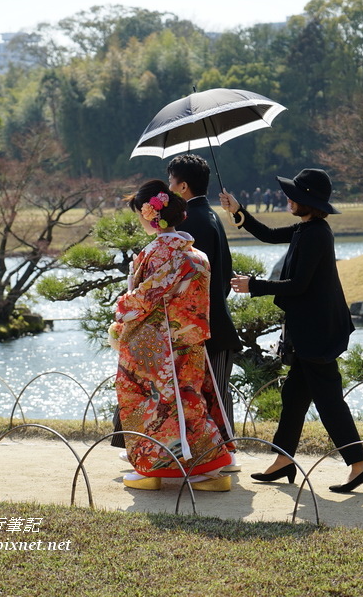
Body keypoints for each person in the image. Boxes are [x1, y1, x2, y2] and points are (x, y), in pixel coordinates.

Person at [219, 168, 363, 493]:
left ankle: (359, 465)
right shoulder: (308, 228)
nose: (289, 199)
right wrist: (238, 211)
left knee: (330, 401)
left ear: (309, 202)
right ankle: (284, 459)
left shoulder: (317, 233)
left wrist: (254, 285)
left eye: (295, 196)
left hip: (317, 334)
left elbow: (299, 284)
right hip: (309, 333)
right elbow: (269, 234)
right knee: (294, 396)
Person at [111, 179, 233, 492]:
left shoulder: (156, 253)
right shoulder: (197, 255)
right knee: (190, 401)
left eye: (140, 212)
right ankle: (208, 466)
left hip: (158, 345)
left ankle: (152, 468)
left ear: (151, 215)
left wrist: (119, 312)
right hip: (191, 341)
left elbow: (144, 298)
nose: (140, 218)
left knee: (148, 402)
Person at [167, 155, 242, 459]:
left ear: (182, 186)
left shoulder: (190, 222)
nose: (169, 188)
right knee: (215, 391)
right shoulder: (208, 215)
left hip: (204, 323)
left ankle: (222, 455)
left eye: (171, 182)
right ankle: (219, 454)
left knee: (212, 393)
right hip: (215, 319)